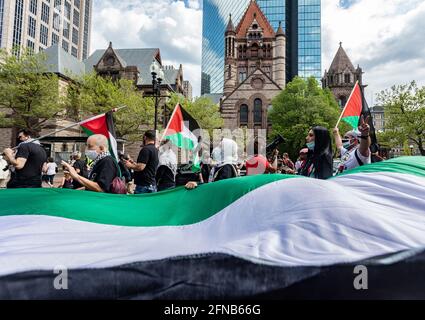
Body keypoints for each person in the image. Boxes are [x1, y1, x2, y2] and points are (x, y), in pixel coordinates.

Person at [125, 130, 159, 194]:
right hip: (152, 184)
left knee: (139, 204)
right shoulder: (155, 150)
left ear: (145, 137)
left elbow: (141, 167)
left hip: (144, 186)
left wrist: (129, 165)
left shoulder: (145, 149)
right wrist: (133, 163)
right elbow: (147, 166)